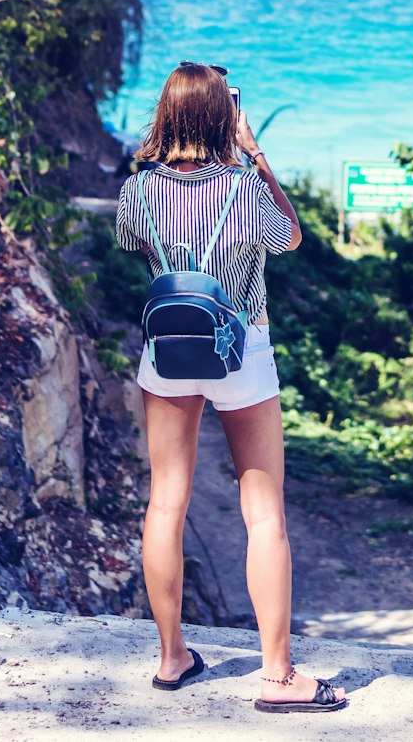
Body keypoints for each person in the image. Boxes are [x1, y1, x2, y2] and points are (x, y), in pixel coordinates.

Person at [116, 61, 348, 714]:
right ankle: (278, 678)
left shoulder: (140, 191)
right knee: (263, 508)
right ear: (226, 116)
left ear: (167, 113)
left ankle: (171, 659)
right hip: (240, 347)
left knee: (166, 501)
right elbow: (291, 238)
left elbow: (130, 239)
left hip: (168, 352)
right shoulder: (244, 191)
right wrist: (256, 157)